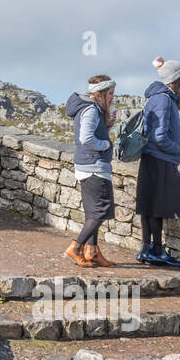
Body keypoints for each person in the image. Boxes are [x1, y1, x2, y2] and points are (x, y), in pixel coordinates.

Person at [135, 57, 180, 266]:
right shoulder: (164, 100)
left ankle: (148, 249)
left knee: (149, 206)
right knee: (157, 207)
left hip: (152, 159)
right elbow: (159, 136)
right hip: (160, 159)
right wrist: (177, 150)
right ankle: (155, 251)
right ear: (175, 78)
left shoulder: (159, 97)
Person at [63, 76, 118, 268]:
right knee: (101, 211)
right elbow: (86, 138)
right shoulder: (90, 110)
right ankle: (76, 248)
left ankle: (92, 251)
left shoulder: (92, 108)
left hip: (87, 166)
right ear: (101, 93)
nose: (112, 97)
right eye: (110, 93)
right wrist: (105, 144)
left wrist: (108, 125)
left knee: (93, 212)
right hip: (94, 166)